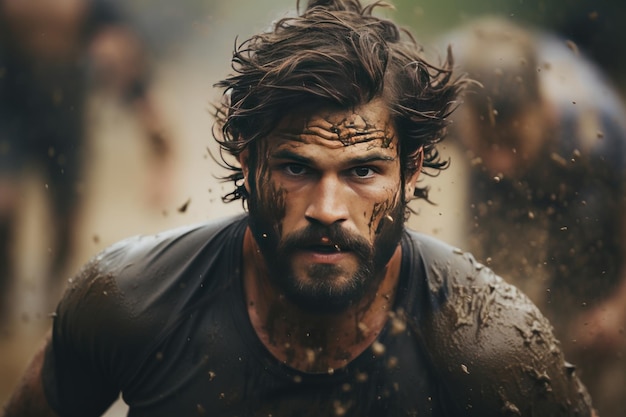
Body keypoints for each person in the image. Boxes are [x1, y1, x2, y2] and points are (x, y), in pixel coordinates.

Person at [2, 1, 595, 416]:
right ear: (246, 160)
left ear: (411, 173)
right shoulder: (132, 302)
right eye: (295, 167)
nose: (327, 208)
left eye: (363, 171)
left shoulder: (490, 346)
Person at [445, 16, 626, 417]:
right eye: (487, 141)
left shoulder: (598, 126)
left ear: (544, 112)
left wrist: (617, 304)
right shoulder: (438, 93)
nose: (499, 162)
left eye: (510, 142)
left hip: (578, 188)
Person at [0, 0, 171, 312]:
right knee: (4, 203)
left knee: (67, 220)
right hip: (8, 111)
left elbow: (127, 65)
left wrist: (159, 159)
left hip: (64, 116)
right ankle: (4, 300)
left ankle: (50, 300)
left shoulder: (98, 12)